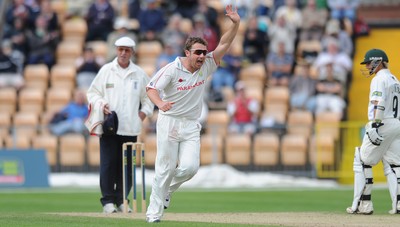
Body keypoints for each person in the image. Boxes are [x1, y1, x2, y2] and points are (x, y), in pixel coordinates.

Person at [145, 4, 240, 223]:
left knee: (190, 168)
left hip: (190, 124)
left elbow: (225, 43)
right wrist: (160, 104)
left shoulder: (207, 65)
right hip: (169, 121)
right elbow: (151, 89)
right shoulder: (172, 68)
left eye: (204, 52)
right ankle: (154, 213)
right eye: (197, 52)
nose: (201, 56)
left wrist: (235, 24)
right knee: (165, 168)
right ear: (187, 52)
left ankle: (166, 190)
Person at [86, 36, 154, 214]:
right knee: (108, 164)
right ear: (116, 50)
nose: (123, 53)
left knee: (127, 168)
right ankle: (108, 201)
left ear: (132, 52)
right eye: (120, 49)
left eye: (127, 50)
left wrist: (142, 114)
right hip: (109, 127)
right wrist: (101, 103)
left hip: (131, 128)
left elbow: (149, 98)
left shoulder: (139, 73)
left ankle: (122, 200)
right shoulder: (106, 70)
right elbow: (92, 93)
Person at [346, 49, 400, 215]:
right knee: (394, 164)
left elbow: (379, 101)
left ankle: (363, 204)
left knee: (362, 160)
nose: (367, 65)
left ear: (378, 61)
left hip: (382, 122)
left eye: (369, 62)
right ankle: (398, 204)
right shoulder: (395, 79)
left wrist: (376, 125)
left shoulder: (379, 79)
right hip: (396, 123)